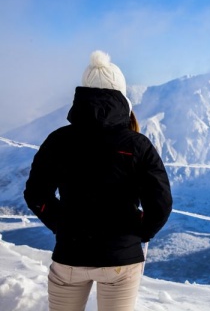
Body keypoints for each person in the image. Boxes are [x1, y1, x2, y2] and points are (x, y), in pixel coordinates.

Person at [24, 50, 173, 311]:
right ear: (122, 97)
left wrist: (63, 224)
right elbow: (160, 203)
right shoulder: (137, 144)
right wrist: (139, 231)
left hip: (69, 256)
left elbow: (36, 194)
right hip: (121, 259)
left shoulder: (58, 140)